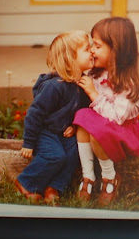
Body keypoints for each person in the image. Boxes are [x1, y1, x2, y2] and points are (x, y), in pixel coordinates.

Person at [14, 30, 94, 204]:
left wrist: (74, 126)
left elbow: (81, 110)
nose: (92, 52)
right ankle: (26, 182)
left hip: (62, 133)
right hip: (45, 132)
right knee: (55, 156)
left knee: (74, 151)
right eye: (87, 49)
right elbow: (35, 113)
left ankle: (54, 187)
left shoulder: (82, 83)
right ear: (70, 58)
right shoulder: (55, 86)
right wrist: (29, 143)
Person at [73, 16, 139, 205]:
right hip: (101, 127)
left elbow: (116, 117)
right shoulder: (95, 73)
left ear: (116, 51)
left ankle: (109, 177)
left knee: (96, 129)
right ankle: (88, 176)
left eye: (97, 46)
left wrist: (93, 93)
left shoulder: (128, 84)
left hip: (123, 133)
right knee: (82, 117)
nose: (92, 50)